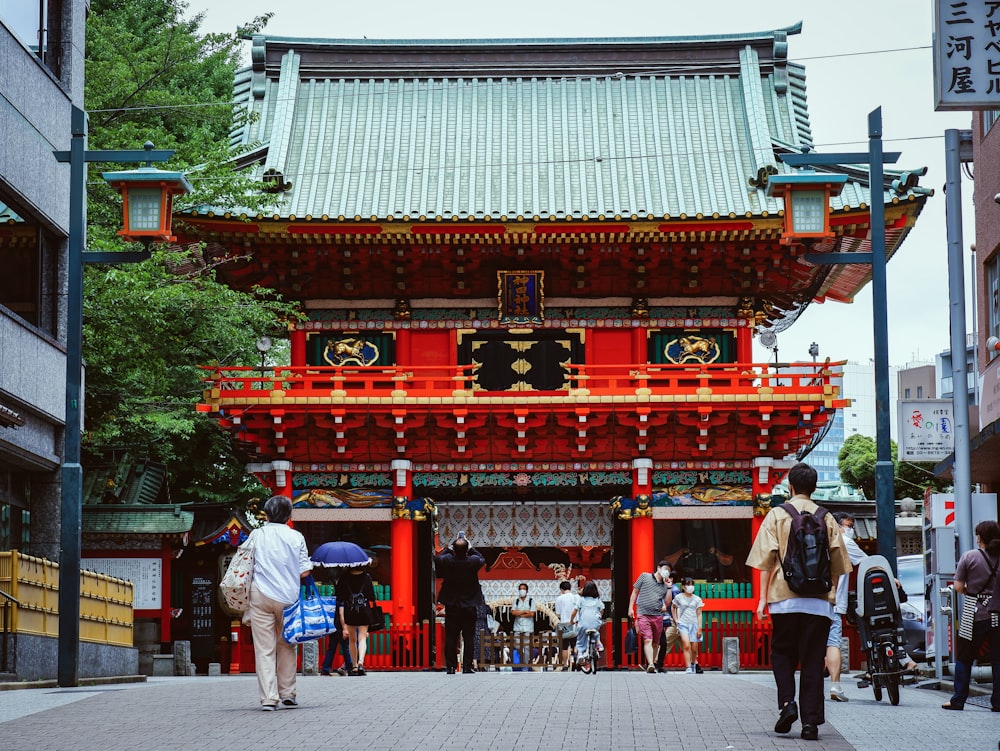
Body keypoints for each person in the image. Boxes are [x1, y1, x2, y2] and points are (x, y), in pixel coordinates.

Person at [746, 462, 851, 741]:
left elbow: (764, 563)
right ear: (814, 488)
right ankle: (811, 723)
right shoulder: (827, 518)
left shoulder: (777, 515)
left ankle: (786, 704)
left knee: (782, 654)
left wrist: (761, 602)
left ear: (789, 486)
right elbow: (839, 565)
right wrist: (830, 601)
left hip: (784, 600)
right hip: (818, 602)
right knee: (812, 659)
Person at [246, 495, 312, 710]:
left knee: (264, 648)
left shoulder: (256, 534)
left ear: (266, 514)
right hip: (288, 597)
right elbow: (304, 571)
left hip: (261, 594)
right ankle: (288, 693)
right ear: (290, 515)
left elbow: (245, 562)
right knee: (287, 644)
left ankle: (268, 698)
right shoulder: (296, 537)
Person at [942, 519, 1000, 712]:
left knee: (965, 658)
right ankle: (998, 703)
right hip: (998, 613)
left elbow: (957, 587)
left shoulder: (970, 557)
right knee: (998, 660)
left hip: (973, 613)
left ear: (980, 537)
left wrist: (972, 592)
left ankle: (958, 700)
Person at [825, 511, 867, 701]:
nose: (850, 530)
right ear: (839, 525)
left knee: (814, 645)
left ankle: (811, 689)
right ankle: (835, 686)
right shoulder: (844, 542)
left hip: (810, 601)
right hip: (833, 602)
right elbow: (869, 563)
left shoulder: (817, 539)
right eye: (848, 526)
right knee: (833, 643)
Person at [435, 534, 486, 675]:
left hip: (452, 605)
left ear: (454, 550)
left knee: (451, 637)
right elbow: (482, 558)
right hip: (469, 606)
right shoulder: (473, 562)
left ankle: (451, 667)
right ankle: (467, 667)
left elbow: (438, 558)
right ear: (467, 549)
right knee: (469, 637)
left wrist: (450, 548)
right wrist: (471, 548)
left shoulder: (448, 561)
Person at [628, 559, 672, 673]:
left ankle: (651, 663)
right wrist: (630, 608)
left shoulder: (664, 586)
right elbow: (635, 592)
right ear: (658, 568)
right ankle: (651, 664)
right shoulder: (644, 576)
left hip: (657, 615)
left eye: (668, 570)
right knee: (647, 639)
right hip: (643, 614)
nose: (666, 572)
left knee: (656, 643)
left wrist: (668, 588)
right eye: (665, 569)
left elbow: (667, 602)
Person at [337, 563, 376, 675]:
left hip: (350, 610)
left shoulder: (344, 577)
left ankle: (354, 666)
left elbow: (340, 596)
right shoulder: (367, 577)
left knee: (352, 640)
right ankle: (361, 662)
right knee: (362, 638)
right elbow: (372, 596)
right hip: (364, 610)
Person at [672, 576, 704, 674]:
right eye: (688, 585)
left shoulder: (697, 599)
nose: (690, 587)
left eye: (691, 585)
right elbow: (673, 607)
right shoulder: (678, 597)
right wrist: (676, 619)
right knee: (686, 645)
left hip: (694, 624)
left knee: (694, 649)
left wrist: (700, 628)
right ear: (683, 586)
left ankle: (694, 663)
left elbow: (699, 614)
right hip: (683, 624)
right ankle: (688, 667)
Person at [655, 568, 682, 672]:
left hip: (674, 621)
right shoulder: (673, 589)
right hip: (678, 620)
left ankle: (655, 661)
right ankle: (694, 664)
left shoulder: (673, 589)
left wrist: (675, 619)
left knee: (666, 642)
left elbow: (675, 606)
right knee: (686, 644)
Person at [575, 581, 604, 669]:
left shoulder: (581, 600)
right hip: (595, 622)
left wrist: (572, 620)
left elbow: (574, 612)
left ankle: (580, 654)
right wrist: (599, 616)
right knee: (596, 630)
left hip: (583, 623)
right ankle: (598, 643)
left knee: (581, 638)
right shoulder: (597, 600)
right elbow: (602, 610)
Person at [554, 580, 580, 670]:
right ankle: (577, 660)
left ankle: (565, 664)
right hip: (575, 623)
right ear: (570, 588)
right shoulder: (576, 597)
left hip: (564, 624)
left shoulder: (559, 599)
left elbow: (558, 613)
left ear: (561, 589)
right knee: (575, 644)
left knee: (564, 646)